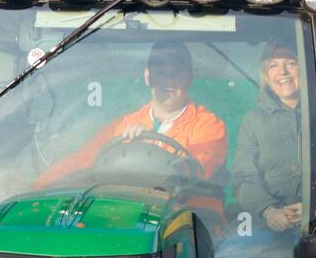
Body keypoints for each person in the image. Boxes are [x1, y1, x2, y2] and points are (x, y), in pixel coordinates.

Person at [35, 40, 228, 187]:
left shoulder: (208, 125)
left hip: (190, 219)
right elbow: (81, 160)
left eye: (176, 73)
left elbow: (197, 167)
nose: (168, 82)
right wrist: (37, 187)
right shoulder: (123, 126)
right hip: (130, 213)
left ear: (189, 78)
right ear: (147, 77)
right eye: (161, 73)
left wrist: (144, 154)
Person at [211, 41, 307, 258]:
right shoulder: (254, 121)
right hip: (265, 224)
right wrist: (269, 211)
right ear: (265, 75)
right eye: (274, 66)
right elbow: (244, 176)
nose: (283, 72)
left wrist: (312, 207)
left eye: (290, 62)